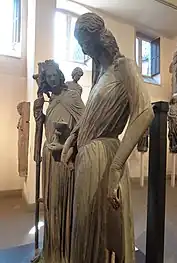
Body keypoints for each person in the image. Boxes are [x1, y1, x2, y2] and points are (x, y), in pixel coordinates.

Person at [61, 13, 154, 263]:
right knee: (84, 224)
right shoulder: (100, 74)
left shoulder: (124, 67)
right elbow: (90, 114)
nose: (83, 48)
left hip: (104, 156)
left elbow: (145, 112)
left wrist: (116, 166)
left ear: (99, 37)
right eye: (80, 43)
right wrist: (74, 136)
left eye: (85, 41)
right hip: (87, 158)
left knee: (96, 226)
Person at [33, 60, 85, 263]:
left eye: (55, 74)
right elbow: (45, 127)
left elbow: (85, 124)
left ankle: (65, 253)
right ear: (44, 81)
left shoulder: (71, 95)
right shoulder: (51, 99)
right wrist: (39, 115)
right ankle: (51, 251)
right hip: (49, 159)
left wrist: (67, 145)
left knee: (65, 204)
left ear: (60, 74)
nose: (52, 79)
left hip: (66, 158)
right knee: (52, 205)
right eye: (48, 77)